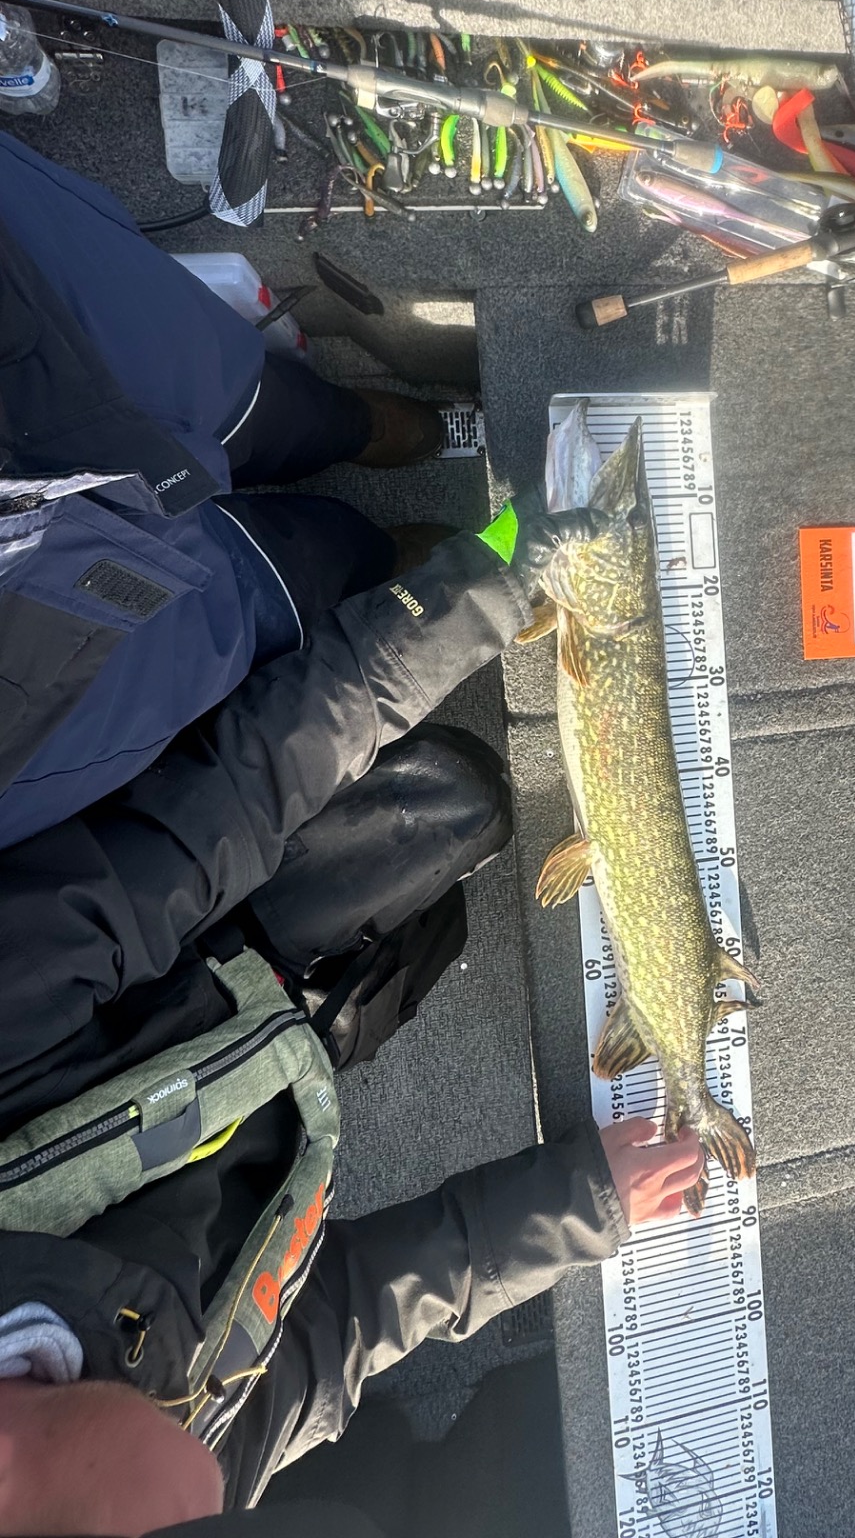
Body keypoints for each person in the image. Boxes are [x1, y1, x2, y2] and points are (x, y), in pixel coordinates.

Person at [0, 509, 705, 1534]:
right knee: (442, 905)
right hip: (265, 1081)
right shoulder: (202, 1470)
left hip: (175, 955)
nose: (228, 1490)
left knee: (463, 796)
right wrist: (577, 1204)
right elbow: (341, 1324)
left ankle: (381, 541)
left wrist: (486, 584)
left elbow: (229, 799)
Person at [0, 128, 458, 848]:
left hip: (40, 345)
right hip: (55, 650)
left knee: (246, 401)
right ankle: (375, 556)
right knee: (268, 582)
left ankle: (352, 426)